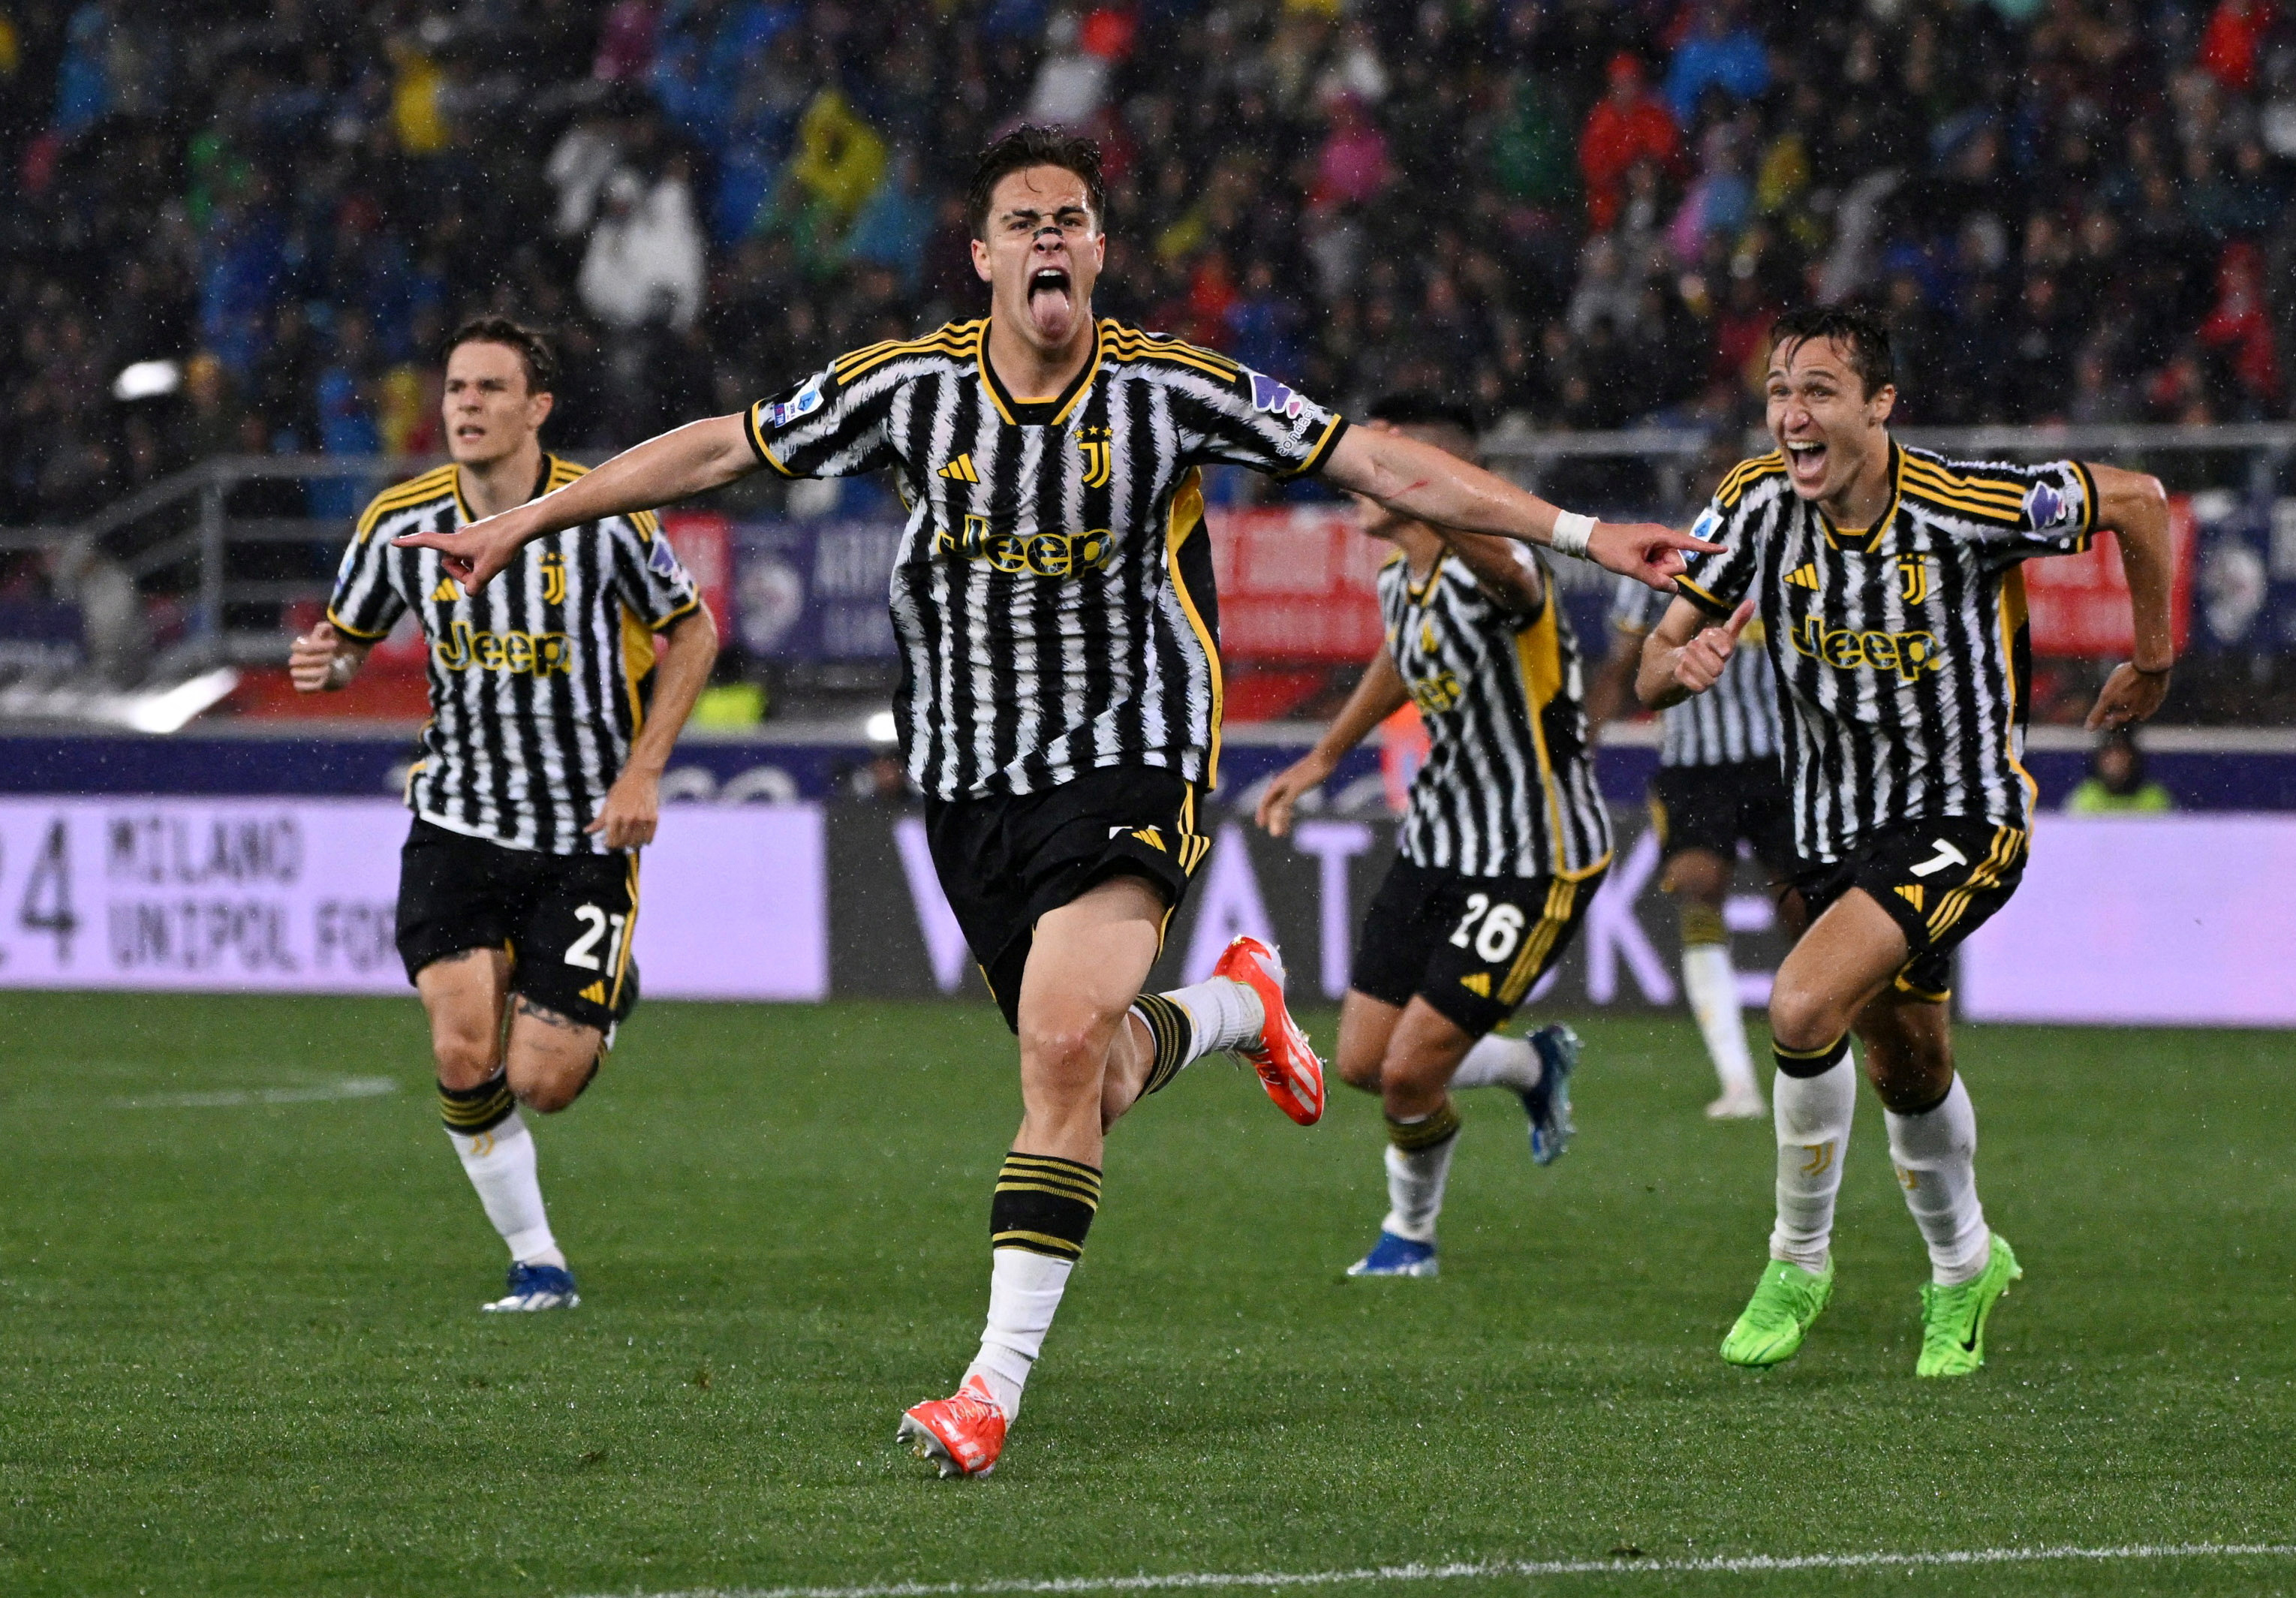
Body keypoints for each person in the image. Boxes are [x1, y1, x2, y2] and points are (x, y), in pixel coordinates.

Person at [392, 126, 1714, 1476]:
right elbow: (712, 451)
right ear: (979, 257)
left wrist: (1581, 534)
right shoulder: (906, 389)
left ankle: (988, 1387)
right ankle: (1233, 1007)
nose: (1044, 238)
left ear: (1095, 250)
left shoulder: (1170, 388)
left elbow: (1379, 461)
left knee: (1061, 1039)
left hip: (1128, 751)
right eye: (1019, 219)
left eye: (1067, 218)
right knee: (1080, 1059)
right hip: (968, 784)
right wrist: (527, 522)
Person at [1635, 305, 2173, 1377]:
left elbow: (2138, 500)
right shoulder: (1748, 506)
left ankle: (1796, 1256)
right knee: (1904, 1059)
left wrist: (2151, 655)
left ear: (1878, 407)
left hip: (1963, 816)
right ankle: (1965, 1264)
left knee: (1797, 1003)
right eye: (1780, 391)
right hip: (1832, 831)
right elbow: (1654, 659)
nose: (1791, 414)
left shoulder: (1960, 503)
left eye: (1819, 391)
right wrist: (1673, 669)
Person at [290, 317, 719, 1313]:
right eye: (455, 388)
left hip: (581, 831)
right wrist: (329, 666)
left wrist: (643, 771)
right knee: (457, 1049)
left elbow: (690, 635)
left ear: (537, 409)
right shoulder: (399, 523)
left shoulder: (604, 515)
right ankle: (538, 1261)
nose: (466, 406)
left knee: (546, 1080)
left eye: (490, 388)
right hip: (457, 821)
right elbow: (350, 641)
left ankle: (602, 993)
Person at [1256, 395, 1611, 1279]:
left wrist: (1452, 502)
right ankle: (1531, 1064)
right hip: (1438, 840)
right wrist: (1323, 756)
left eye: (1384, 457)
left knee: (1412, 1073)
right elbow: (1399, 655)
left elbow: (1512, 580)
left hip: (1534, 857)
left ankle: (1408, 1236)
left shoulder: (1504, 570)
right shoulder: (1396, 580)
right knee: (1360, 1062)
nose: (1358, 474)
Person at [1587, 444, 1795, 1121]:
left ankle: (1821, 1048)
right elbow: (1620, 666)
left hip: (1781, 761)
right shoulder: (1651, 566)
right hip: (1692, 764)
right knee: (1699, 882)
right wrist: (1580, 741)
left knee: (1802, 909)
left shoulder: (1788, 560)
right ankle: (1736, 1078)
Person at [2065, 728, 2174, 813]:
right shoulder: (2086, 797)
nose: (2115, 760)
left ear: (2133, 759)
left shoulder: (2153, 797)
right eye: (2109, 754)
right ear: (2099, 759)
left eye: (2121, 754)